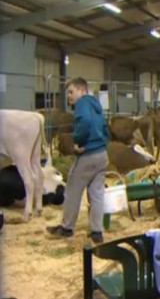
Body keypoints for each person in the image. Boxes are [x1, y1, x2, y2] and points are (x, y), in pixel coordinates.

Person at [47, 77, 109, 243]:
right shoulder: (96, 105)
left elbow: (85, 122)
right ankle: (97, 232)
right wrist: (103, 143)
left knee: (72, 190)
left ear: (82, 90)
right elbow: (104, 127)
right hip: (102, 154)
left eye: (71, 92)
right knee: (96, 194)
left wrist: (77, 140)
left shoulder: (82, 103)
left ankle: (67, 228)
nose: (69, 96)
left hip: (87, 154)